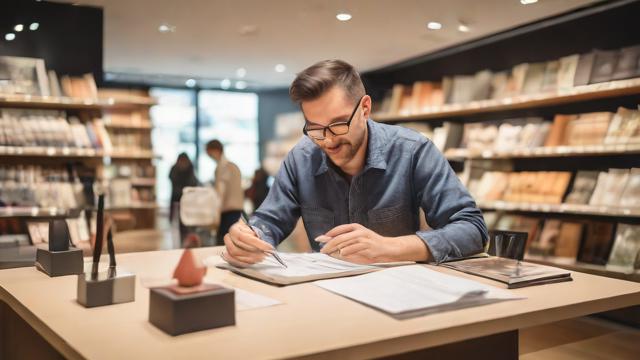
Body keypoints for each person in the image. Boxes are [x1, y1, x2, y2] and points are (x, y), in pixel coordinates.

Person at [223, 59, 487, 266]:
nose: (327, 141)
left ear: (365, 108)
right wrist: (250, 238)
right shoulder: (300, 158)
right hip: (328, 297)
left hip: (400, 293)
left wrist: (388, 248)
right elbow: (269, 221)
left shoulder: (413, 151)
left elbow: (472, 229)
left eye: (338, 124)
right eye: (314, 128)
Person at [205, 139, 244, 244]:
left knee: (225, 245)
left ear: (216, 150)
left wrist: (215, 216)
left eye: (209, 152)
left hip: (229, 214)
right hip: (237, 212)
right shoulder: (233, 166)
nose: (208, 155)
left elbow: (221, 193)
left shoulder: (223, 167)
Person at [169, 152, 199, 241]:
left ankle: (185, 239)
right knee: (177, 223)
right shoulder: (174, 168)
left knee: (185, 223)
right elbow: (171, 178)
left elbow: (193, 182)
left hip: (186, 200)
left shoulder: (190, 168)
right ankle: (181, 239)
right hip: (176, 199)